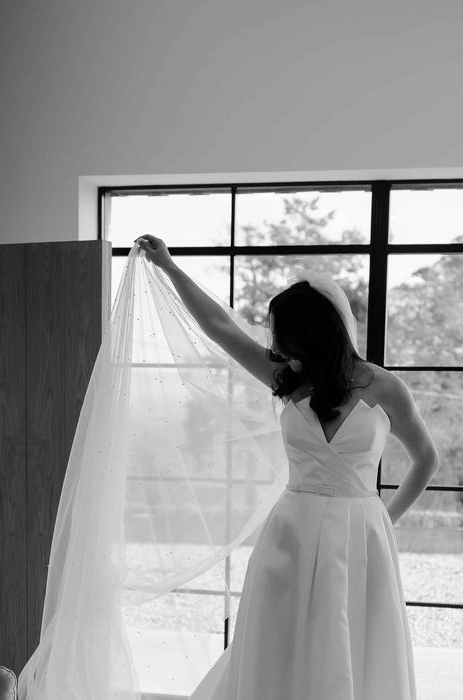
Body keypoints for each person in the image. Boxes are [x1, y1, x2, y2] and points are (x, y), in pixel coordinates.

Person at [135, 233, 440, 700]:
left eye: (283, 335)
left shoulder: (385, 387)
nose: (275, 345)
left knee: (351, 643)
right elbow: (220, 327)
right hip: (292, 529)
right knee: (277, 644)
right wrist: (171, 267)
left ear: (314, 335)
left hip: (360, 533)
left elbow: (426, 458)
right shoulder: (285, 378)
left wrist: (385, 517)